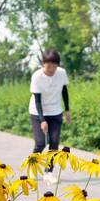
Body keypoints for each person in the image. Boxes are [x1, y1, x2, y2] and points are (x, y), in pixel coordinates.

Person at [29, 50, 71, 184]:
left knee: (54, 143)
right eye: (48, 66)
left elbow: (64, 91)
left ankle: (49, 172)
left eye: (54, 66)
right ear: (43, 64)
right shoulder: (37, 77)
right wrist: (42, 120)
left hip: (55, 111)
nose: (51, 69)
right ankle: (32, 166)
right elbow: (37, 100)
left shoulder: (61, 73)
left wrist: (68, 110)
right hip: (38, 112)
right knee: (41, 142)